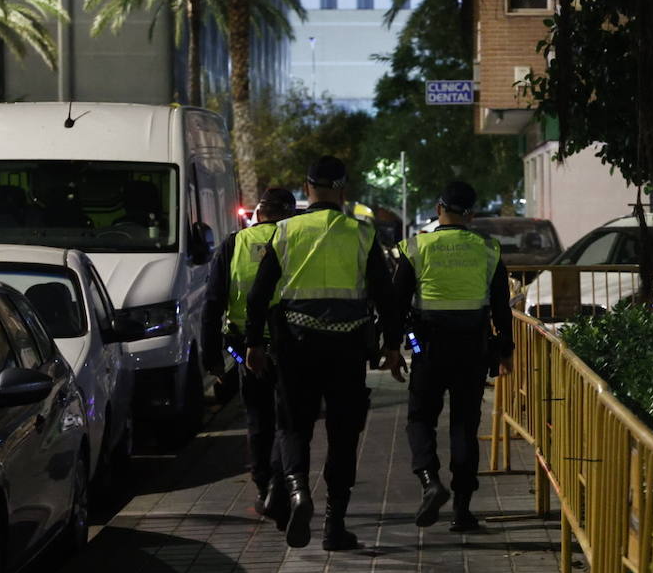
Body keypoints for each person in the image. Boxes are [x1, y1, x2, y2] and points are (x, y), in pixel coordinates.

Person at [244, 156, 405, 550]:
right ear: (343, 190)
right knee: (344, 433)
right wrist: (392, 345)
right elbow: (386, 296)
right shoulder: (362, 234)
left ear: (307, 187)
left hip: (296, 347)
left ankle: (298, 493)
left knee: (293, 426)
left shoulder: (283, 232)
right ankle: (335, 525)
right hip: (347, 349)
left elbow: (259, 294)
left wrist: (253, 344)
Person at [393, 180, 513, 532]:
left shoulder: (417, 247)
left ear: (438, 208)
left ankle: (430, 481)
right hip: (473, 350)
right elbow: (501, 307)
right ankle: (462, 510)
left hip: (426, 347)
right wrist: (505, 350)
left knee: (420, 419)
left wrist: (393, 348)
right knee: (465, 425)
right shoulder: (488, 250)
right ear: (472, 215)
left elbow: (398, 303)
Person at [202, 186, 297, 527]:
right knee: (288, 420)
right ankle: (281, 483)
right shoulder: (297, 241)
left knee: (258, 419)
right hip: (291, 345)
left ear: (259, 213)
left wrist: (212, 356)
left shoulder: (234, 243)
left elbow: (213, 302)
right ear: (289, 214)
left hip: (246, 349)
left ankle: (263, 486)